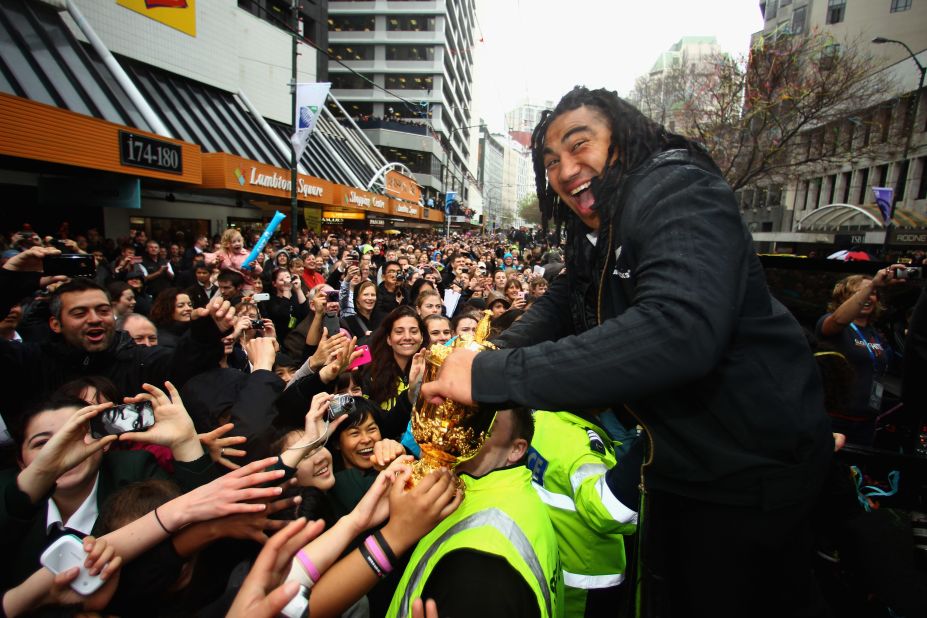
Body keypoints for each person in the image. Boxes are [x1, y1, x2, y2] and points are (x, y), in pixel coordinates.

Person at [421, 86, 833, 618]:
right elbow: (568, 298)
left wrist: (493, 373)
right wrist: (483, 351)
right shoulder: (593, 230)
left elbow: (679, 328)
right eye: (551, 163)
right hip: (676, 464)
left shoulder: (675, 187)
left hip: (750, 473)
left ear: (626, 140)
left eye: (580, 145)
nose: (565, 170)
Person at [388, 408, 563, 618]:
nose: (462, 429)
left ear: (516, 449)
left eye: (485, 426)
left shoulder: (482, 566)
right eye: (466, 415)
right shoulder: (494, 491)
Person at [815, 269, 907, 445]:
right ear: (844, 299)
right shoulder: (832, 324)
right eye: (859, 293)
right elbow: (838, 321)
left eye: (873, 293)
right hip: (836, 419)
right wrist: (872, 284)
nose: (868, 297)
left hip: (866, 420)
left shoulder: (874, 332)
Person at [361, 306, 426, 440]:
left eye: (414, 331)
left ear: (422, 337)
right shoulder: (370, 373)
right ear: (389, 339)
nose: (407, 337)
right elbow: (381, 426)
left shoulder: (431, 369)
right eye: (399, 332)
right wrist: (411, 394)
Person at [259, 268, 309, 346]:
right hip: (282, 339)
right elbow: (282, 316)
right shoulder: (270, 301)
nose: (286, 281)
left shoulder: (296, 296)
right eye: (282, 280)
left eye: (288, 278)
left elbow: (306, 313)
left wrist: (298, 289)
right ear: (274, 283)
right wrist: (286, 290)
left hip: (300, 338)